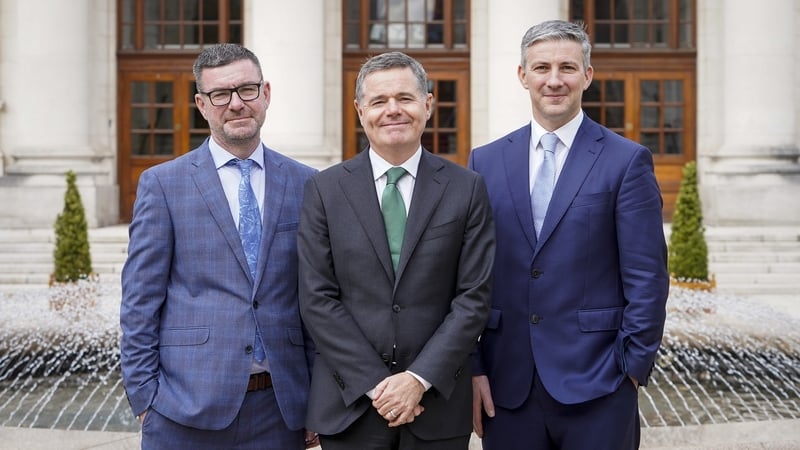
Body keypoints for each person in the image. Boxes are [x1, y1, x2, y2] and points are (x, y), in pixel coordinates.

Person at [469, 20, 670, 450]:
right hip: (507, 387)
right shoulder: (485, 161)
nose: (554, 80)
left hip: (599, 384)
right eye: (542, 68)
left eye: (567, 67)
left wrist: (632, 369)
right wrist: (475, 367)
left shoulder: (626, 161)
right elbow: (469, 275)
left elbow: (647, 277)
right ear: (523, 76)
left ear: (587, 75)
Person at [120, 43, 318, 450]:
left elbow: (317, 300)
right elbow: (140, 300)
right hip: (183, 410)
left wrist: (317, 401)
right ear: (202, 104)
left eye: (246, 89)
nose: (236, 103)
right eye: (220, 94)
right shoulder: (163, 185)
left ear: (265, 93)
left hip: (280, 412)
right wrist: (145, 398)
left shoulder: (307, 183)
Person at [298, 51, 495, 450]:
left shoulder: (467, 188)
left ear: (428, 104)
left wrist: (417, 380)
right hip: (351, 404)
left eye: (405, 98)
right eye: (378, 101)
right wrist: (377, 385)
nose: (393, 110)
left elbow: (474, 297)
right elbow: (317, 298)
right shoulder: (324, 189)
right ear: (360, 111)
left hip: (437, 405)